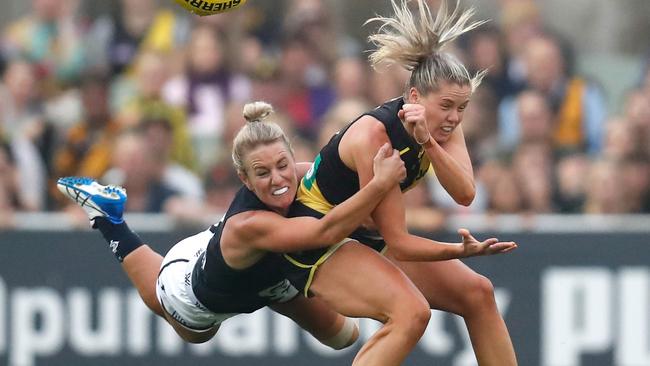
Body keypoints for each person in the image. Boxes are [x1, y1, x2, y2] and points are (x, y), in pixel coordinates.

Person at [280, 0, 518, 365]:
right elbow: (400, 243)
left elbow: (465, 193)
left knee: (478, 293)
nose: (455, 117)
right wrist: (460, 251)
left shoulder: (440, 128)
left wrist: (429, 141)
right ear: (414, 98)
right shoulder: (375, 136)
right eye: (447, 106)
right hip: (317, 236)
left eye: (462, 108)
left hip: (362, 233)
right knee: (411, 313)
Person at [57, 100, 407, 347]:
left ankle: (274, 284)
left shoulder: (300, 175)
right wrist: (378, 184)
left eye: (283, 164)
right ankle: (109, 219)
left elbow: (337, 163)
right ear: (243, 178)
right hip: (192, 293)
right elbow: (323, 231)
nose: (278, 179)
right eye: (262, 173)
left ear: (292, 155)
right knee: (187, 326)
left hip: (263, 269)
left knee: (345, 338)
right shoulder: (249, 224)